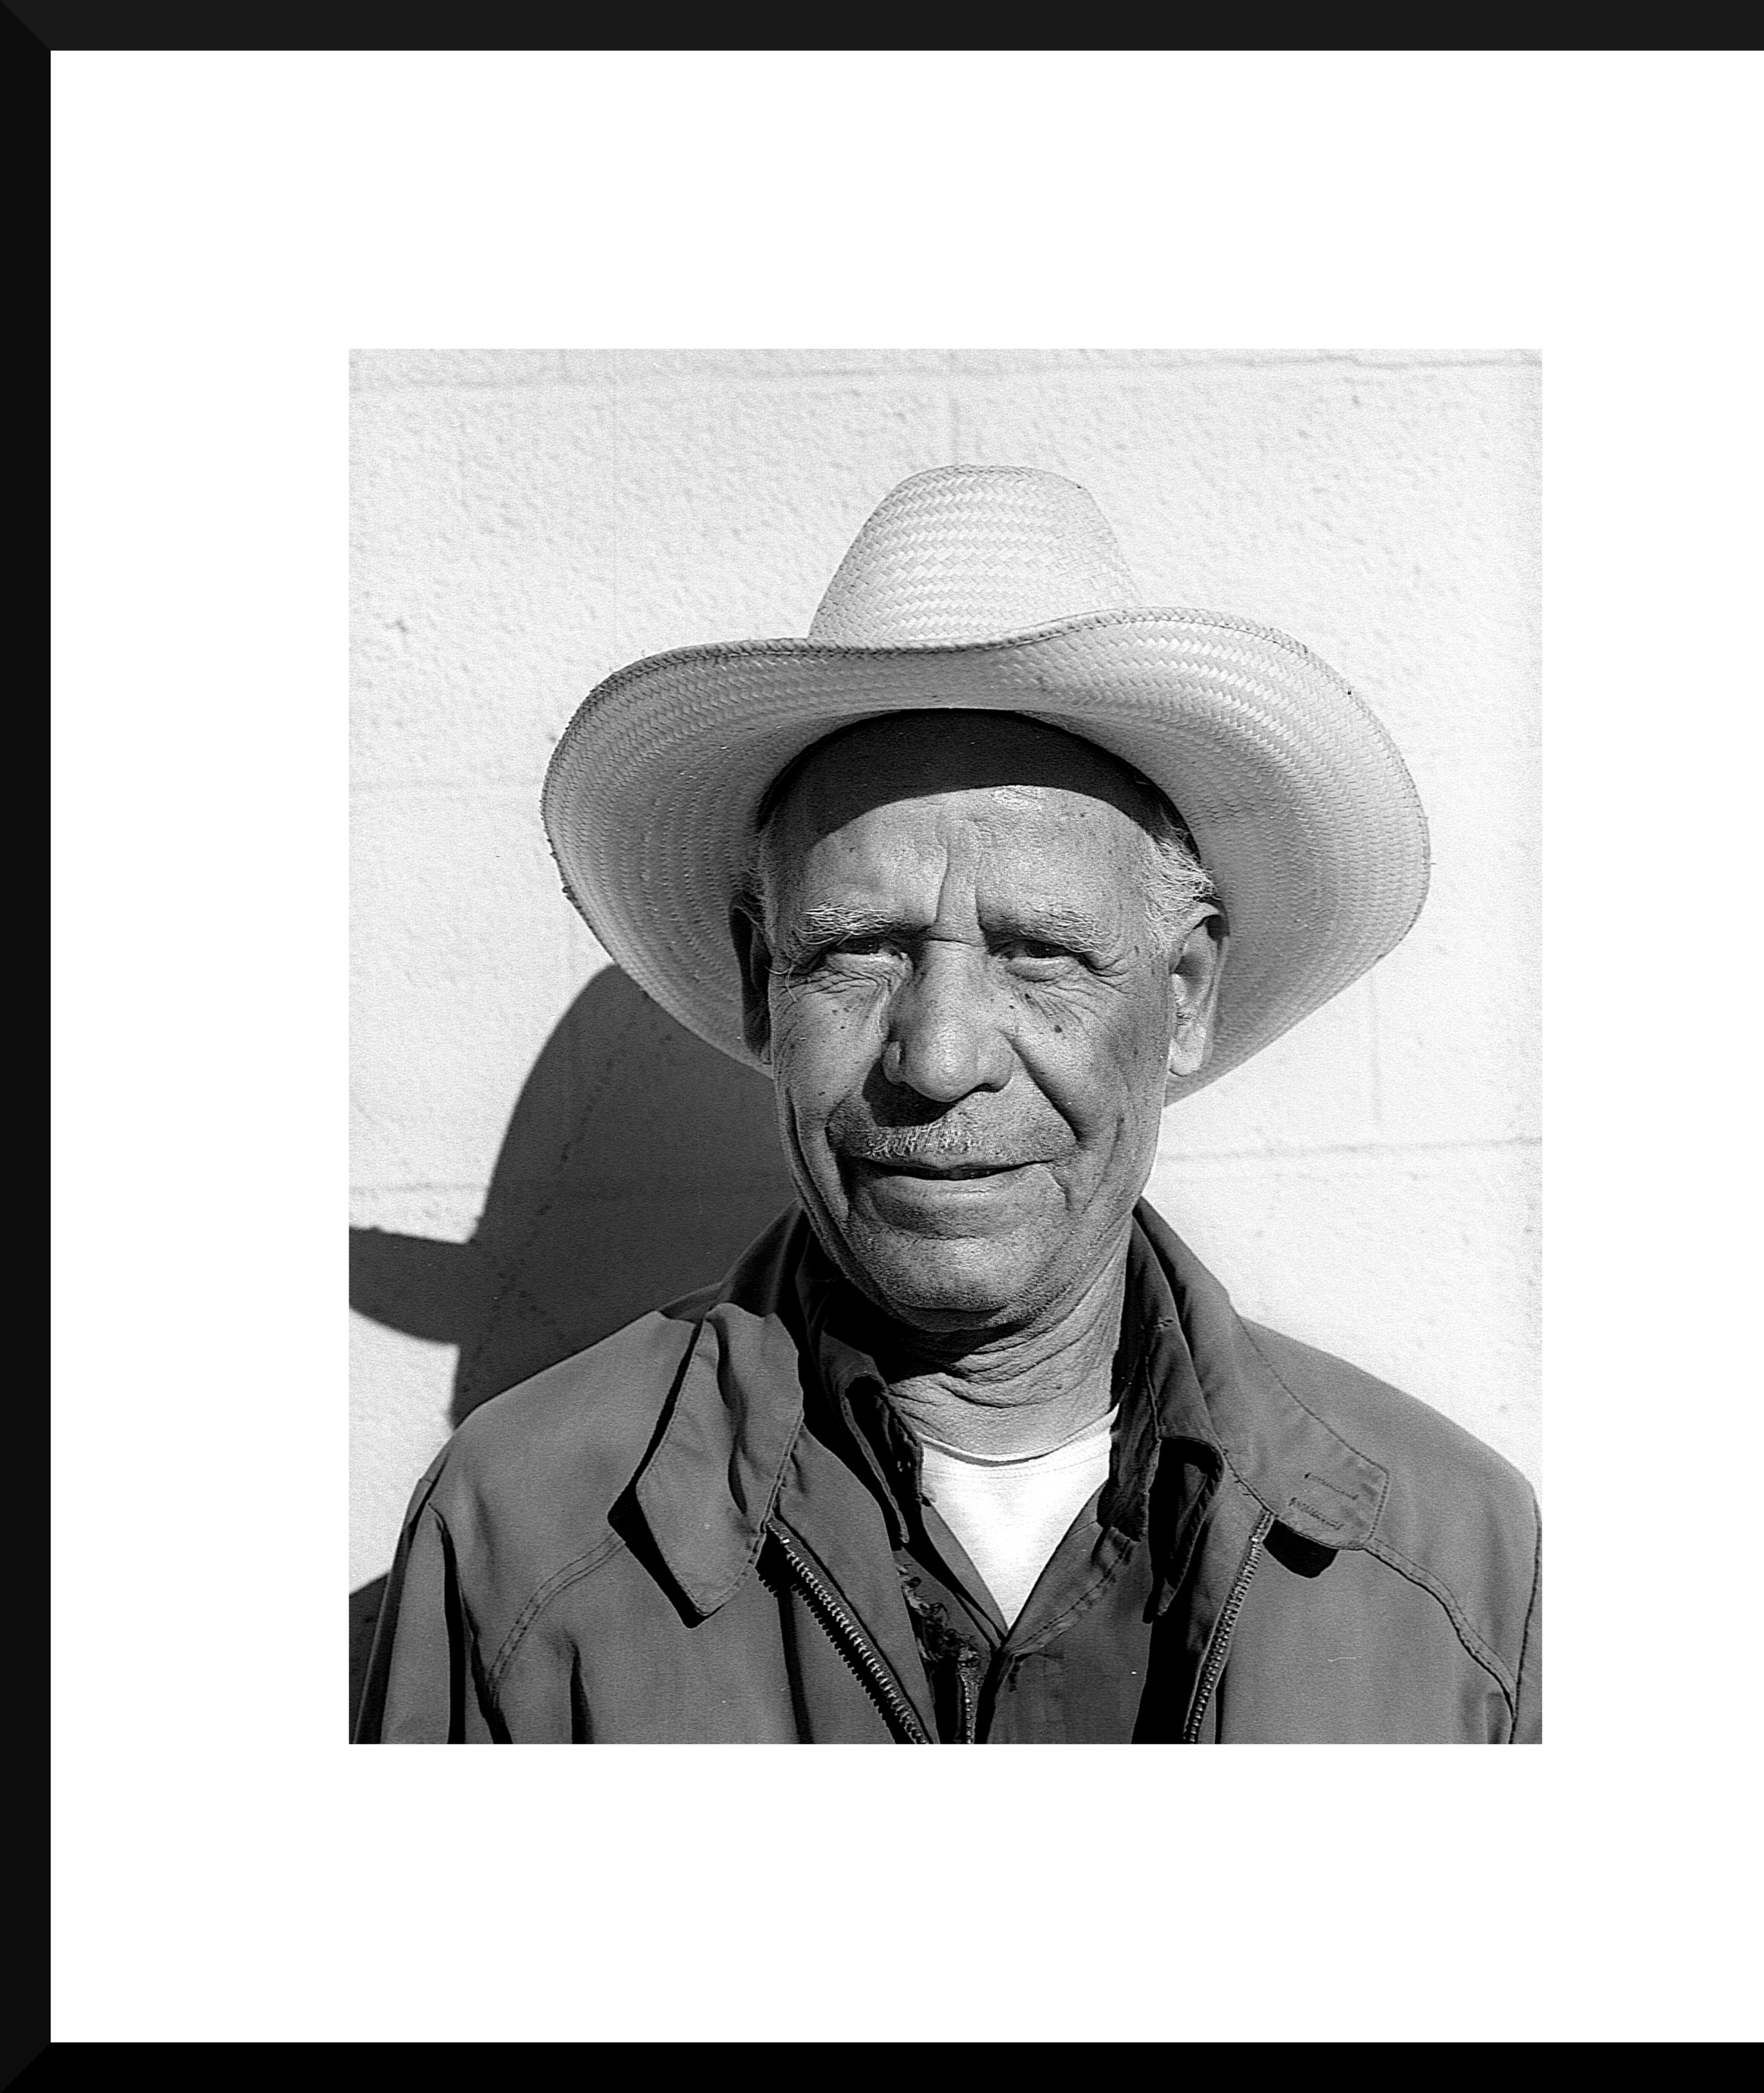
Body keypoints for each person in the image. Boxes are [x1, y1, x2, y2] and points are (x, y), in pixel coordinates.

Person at [355, 464, 1541, 1744]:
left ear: (1184, 993)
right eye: (861, 948)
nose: (938, 1055)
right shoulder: (516, 1542)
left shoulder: (1457, 1569)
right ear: (763, 983)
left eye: (1040, 950)